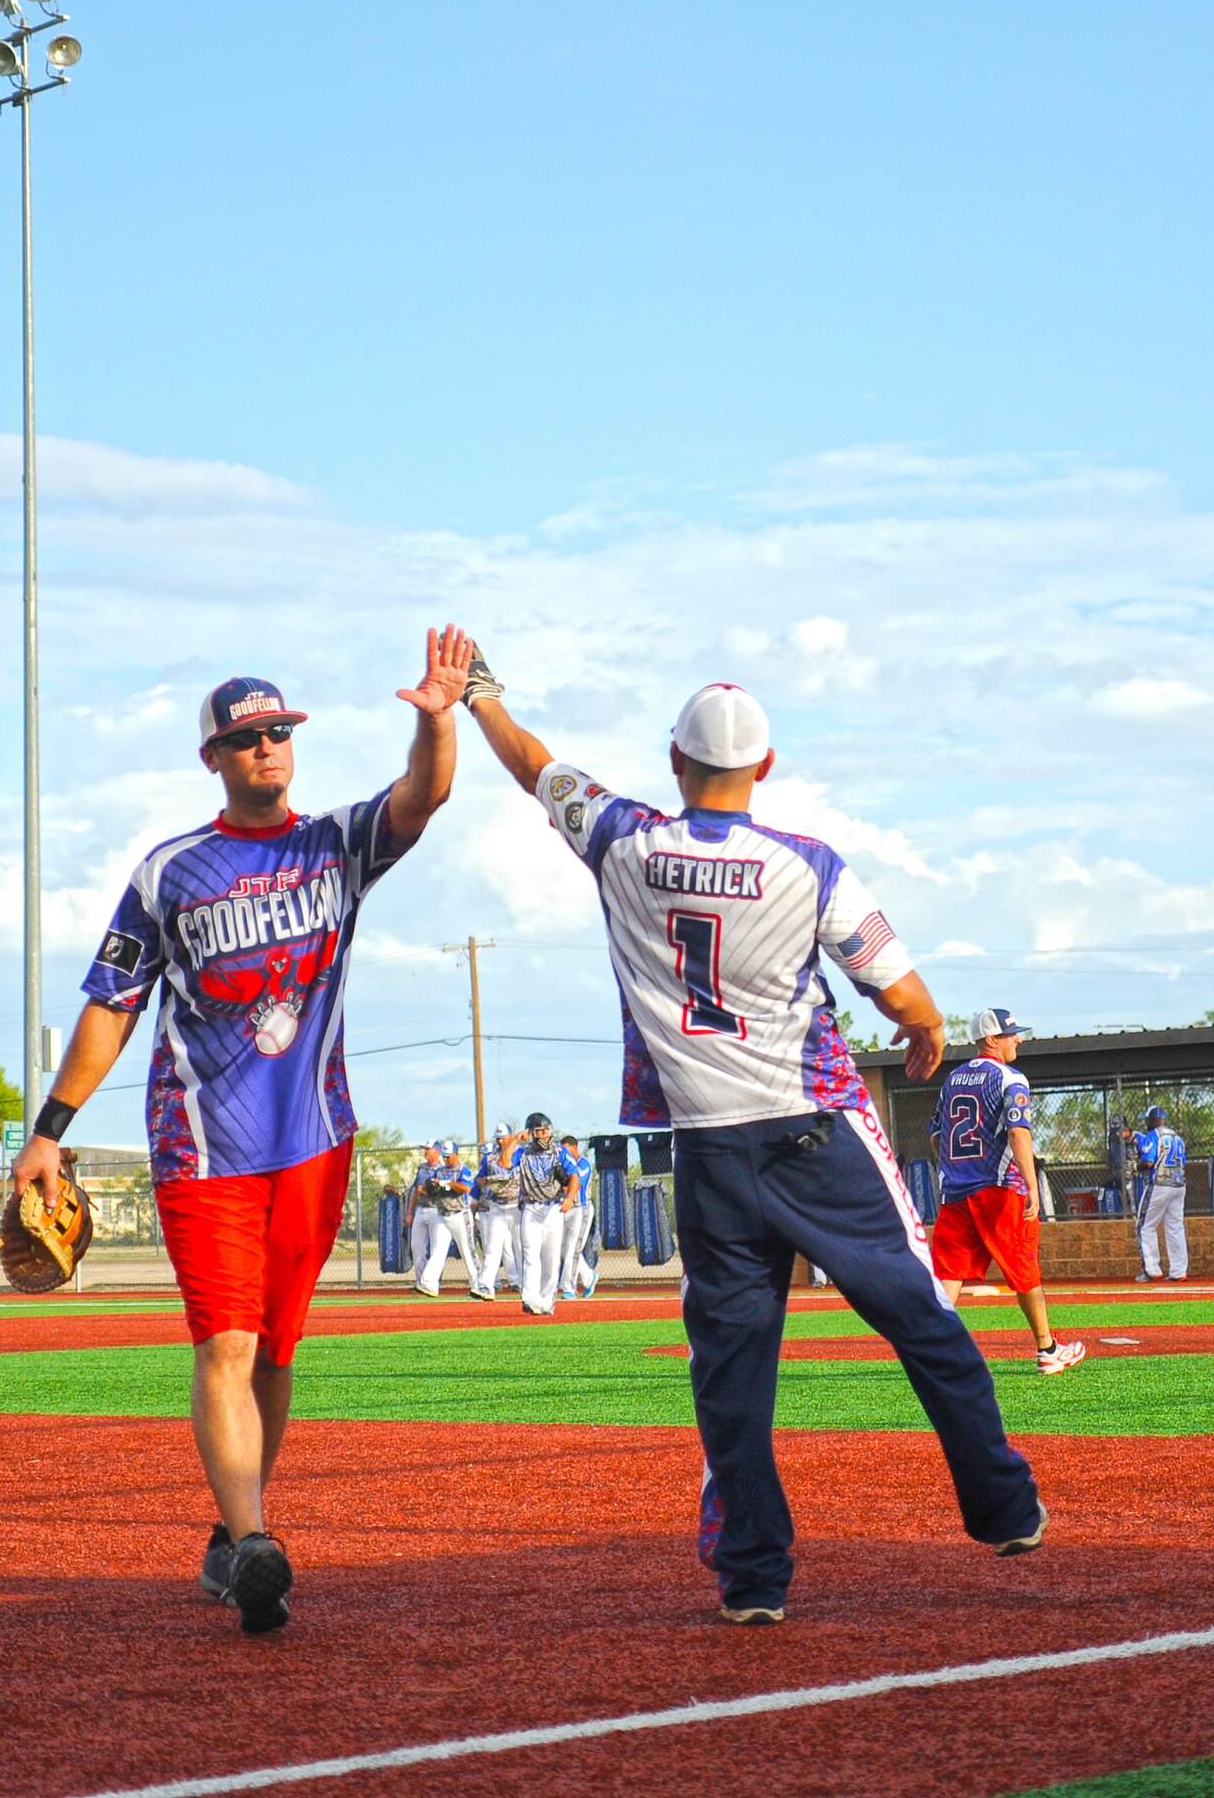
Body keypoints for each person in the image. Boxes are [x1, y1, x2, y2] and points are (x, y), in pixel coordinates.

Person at [464, 657, 1046, 1624]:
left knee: (732, 1370)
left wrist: (482, 695)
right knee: (922, 1320)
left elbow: (536, 767)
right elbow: (895, 988)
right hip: (816, 1131)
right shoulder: (806, 862)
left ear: (673, 759)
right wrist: (927, 1031)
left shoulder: (621, 841)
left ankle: (752, 1578)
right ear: (763, 764)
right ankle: (1001, 1505)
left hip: (707, 1146)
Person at [11, 628, 473, 1634]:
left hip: (314, 1136)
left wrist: (435, 719)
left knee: (274, 1351)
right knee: (225, 1339)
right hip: (201, 1145)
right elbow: (110, 1001)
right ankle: (255, 1537)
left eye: (279, 733)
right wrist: (50, 1128)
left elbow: (422, 797)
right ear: (213, 757)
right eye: (248, 737)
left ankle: (232, 1541)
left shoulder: (334, 844)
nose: (268, 748)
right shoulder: (170, 870)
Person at [928, 1009, 1086, 1375]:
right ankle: (1048, 1349)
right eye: (1011, 1034)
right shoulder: (1009, 1077)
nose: (1019, 1039)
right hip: (999, 1188)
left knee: (950, 1273)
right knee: (1024, 1269)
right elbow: (1018, 1132)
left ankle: (936, 1353)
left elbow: (936, 1133)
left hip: (956, 1190)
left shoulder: (952, 1079)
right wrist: (1031, 1184)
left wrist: (955, 1167)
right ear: (990, 1039)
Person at [517, 1111, 579, 1316]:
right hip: (531, 1207)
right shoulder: (523, 1153)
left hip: (553, 1207)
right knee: (530, 1254)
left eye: (546, 1130)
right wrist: (515, 1140)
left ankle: (546, 1300)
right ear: (531, 1133)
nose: (544, 1135)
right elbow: (505, 1163)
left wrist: (570, 1197)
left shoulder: (559, 1152)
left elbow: (574, 1176)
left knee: (551, 1257)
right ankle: (530, 1298)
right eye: (539, 1131)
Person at [415, 1139, 480, 1296]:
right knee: (437, 1250)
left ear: (456, 1154)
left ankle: (479, 1285)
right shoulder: (440, 1171)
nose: (446, 1159)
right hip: (442, 1214)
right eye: (444, 1156)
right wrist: (429, 1188)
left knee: (467, 1251)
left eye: (449, 1156)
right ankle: (429, 1284)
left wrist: (445, 1183)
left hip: (459, 1214)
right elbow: (425, 1189)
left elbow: (465, 1188)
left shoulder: (463, 1170)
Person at [1134, 1104, 1188, 1283]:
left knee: (1145, 1226)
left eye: (1148, 1120)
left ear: (1154, 1120)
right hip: (1179, 1185)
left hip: (1159, 1183)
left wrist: (1135, 1167)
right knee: (1175, 1227)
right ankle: (1179, 1271)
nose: (1146, 1123)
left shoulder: (1154, 1135)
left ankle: (1152, 1270)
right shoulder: (1177, 1137)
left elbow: (1148, 1163)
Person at [473, 1123, 523, 1299]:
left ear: (511, 1136)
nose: (501, 1141)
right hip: (496, 1205)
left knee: (520, 1247)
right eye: (498, 1138)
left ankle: (525, 1284)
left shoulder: (521, 1154)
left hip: (517, 1205)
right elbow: (479, 1177)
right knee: (492, 1248)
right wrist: (483, 1181)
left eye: (503, 1137)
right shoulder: (490, 1157)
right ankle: (486, 1286)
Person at [557, 1134, 596, 1299]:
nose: (565, 1153)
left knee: (573, 1247)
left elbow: (576, 1185)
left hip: (582, 1208)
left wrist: (556, 1185)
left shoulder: (583, 1163)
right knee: (563, 1249)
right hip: (564, 1208)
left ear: (575, 1148)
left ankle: (569, 1287)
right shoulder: (563, 1165)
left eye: (567, 1149)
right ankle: (589, 1277)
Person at [405, 1141, 443, 1292]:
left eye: (429, 1149)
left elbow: (442, 1193)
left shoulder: (442, 1169)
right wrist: (409, 1211)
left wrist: (425, 1191)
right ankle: (421, 1282)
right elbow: (415, 1190)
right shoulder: (422, 1168)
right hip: (421, 1209)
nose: (426, 1152)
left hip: (436, 1210)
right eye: (425, 1149)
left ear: (437, 1151)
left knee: (435, 1248)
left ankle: (433, 1281)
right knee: (417, 1246)